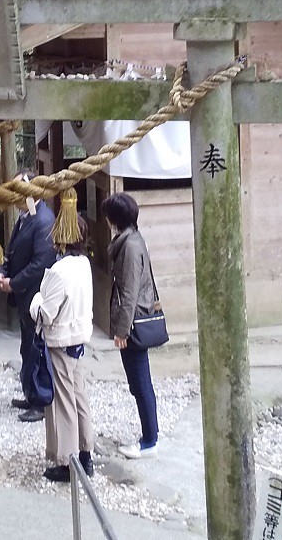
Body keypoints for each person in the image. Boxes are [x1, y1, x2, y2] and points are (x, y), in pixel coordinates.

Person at [29, 218, 94, 482]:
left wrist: (36, 300)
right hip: (79, 337)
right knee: (79, 396)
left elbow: (45, 313)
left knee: (64, 402)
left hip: (61, 341)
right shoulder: (84, 263)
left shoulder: (59, 271)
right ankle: (86, 453)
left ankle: (68, 462)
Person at [0, 176, 57, 422]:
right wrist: (1, 272)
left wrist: (14, 283)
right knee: (26, 346)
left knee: (37, 348)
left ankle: (41, 400)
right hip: (22, 296)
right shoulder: (25, 217)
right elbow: (10, 251)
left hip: (35, 296)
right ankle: (30, 393)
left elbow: (41, 263)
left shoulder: (44, 220)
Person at [103, 191, 159, 458]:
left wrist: (122, 331)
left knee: (140, 382)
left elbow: (129, 292)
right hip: (133, 318)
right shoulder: (131, 239)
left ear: (114, 219)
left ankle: (150, 441)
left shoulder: (130, 247)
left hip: (134, 321)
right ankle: (150, 435)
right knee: (139, 382)